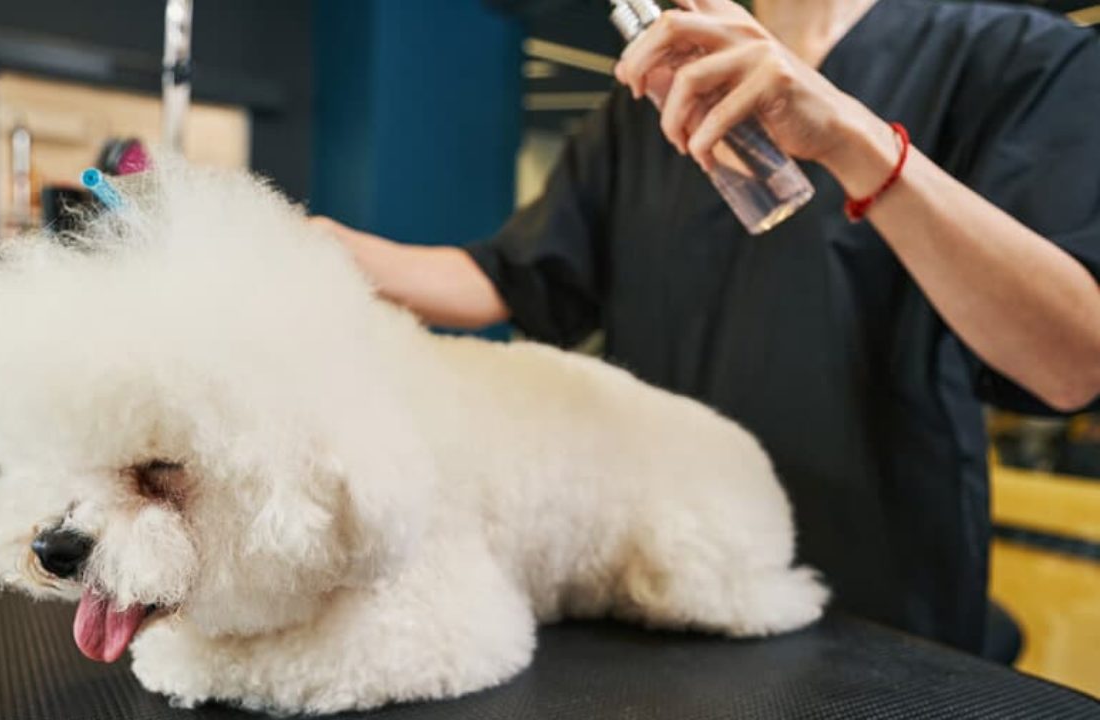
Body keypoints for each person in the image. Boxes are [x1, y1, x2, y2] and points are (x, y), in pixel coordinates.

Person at [312, 0, 1100, 657]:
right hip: (672, 591)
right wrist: (303, 242)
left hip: (887, 616)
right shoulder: (655, 100)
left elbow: (1072, 360)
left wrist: (851, 143)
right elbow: (503, 277)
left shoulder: (1015, 62)